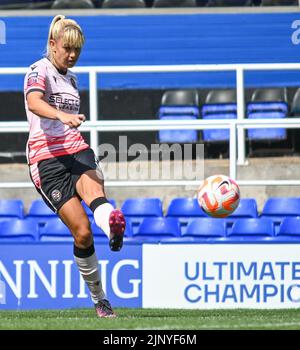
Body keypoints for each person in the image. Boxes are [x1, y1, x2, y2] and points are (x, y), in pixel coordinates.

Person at [24, 14, 126, 318]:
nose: (72, 56)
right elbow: (34, 103)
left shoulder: (72, 78)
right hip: (46, 160)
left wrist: (68, 123)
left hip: (75, 148)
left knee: (97, 197)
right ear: (52, 44)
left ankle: (112, 224)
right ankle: (100, 298)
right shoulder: (38, 70)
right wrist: (61, 115)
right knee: (82, 233)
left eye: (77, 51)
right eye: (67, 49)